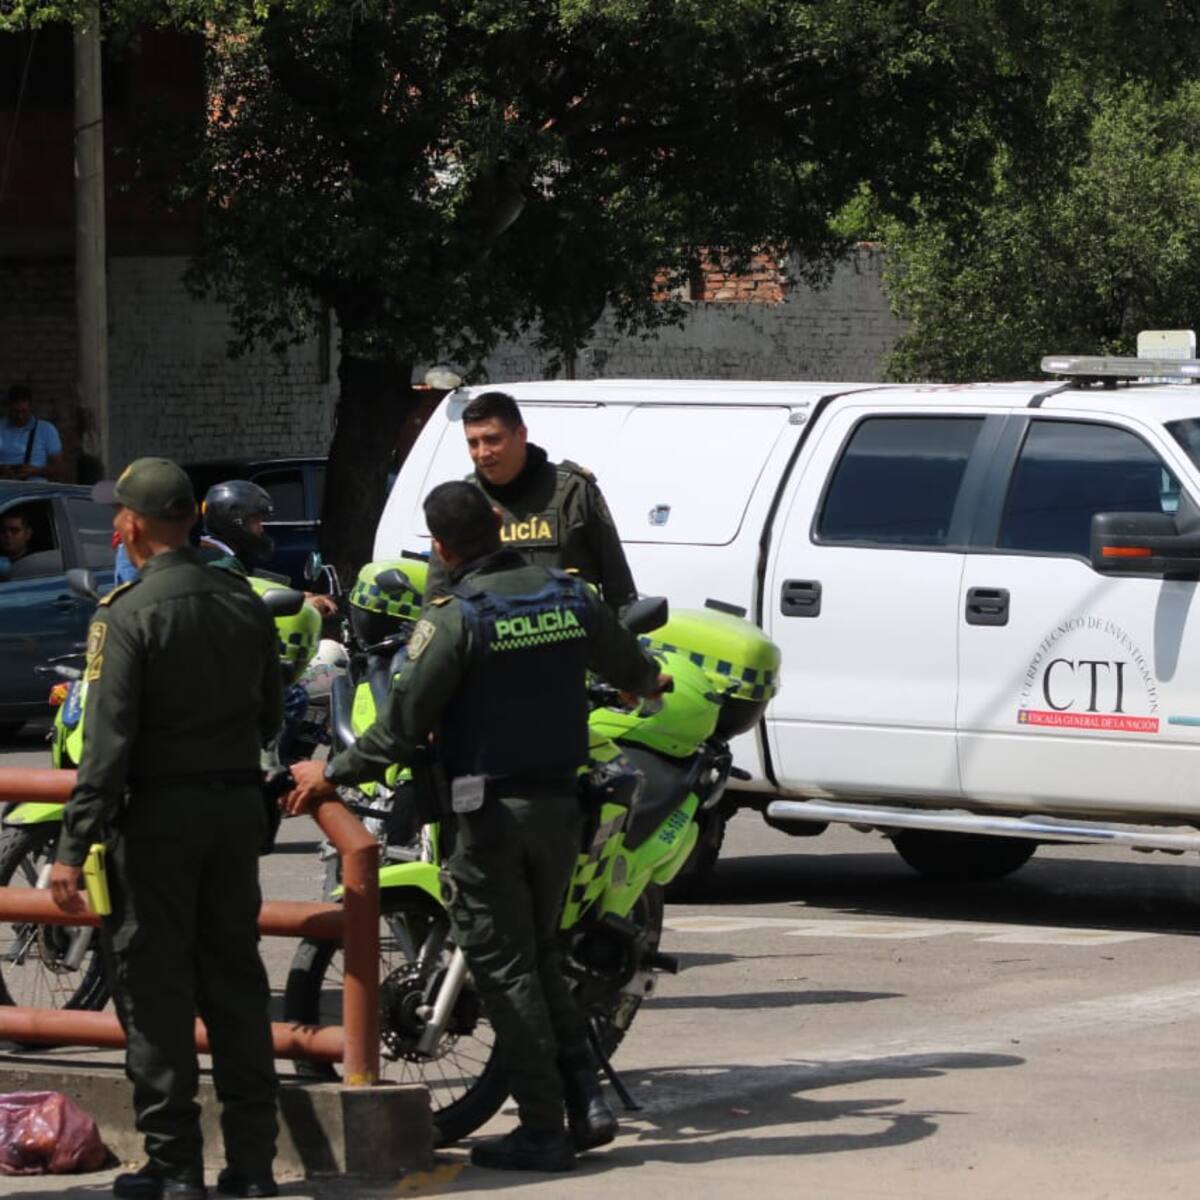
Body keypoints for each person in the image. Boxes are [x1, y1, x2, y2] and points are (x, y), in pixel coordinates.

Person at [286, 481, 666, 1173]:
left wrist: (331, 773)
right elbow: (637, 670)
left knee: (503, 967)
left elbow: (399, 731)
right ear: (498, 524)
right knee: (540, 954)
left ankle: (544, 1129)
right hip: (559, 811)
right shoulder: (570, 596)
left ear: (440, 547)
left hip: (485, 816)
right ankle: (585, 1103)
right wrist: (649, 682)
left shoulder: (455, 619)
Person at [48, 457, 283, 1200]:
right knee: (237, 990)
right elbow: (272, 714)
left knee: (155, 995)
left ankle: (176, 1167)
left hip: (156, 824)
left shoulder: (126, 611)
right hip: (234, 814)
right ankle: (251, 1169)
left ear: (133, 525)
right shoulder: (243, 599)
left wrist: (71, 845)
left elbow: (108, 744)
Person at [423, 391, 638, 612]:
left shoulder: (573, 493)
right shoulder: (463, 504)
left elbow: (620, 592)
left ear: (521, 434)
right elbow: (437, 598)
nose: (482, 453)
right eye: (473, 443)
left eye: (492, 440)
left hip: (570, 638)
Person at [201, 480, 336, 615]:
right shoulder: (221, 564)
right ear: (235, 522)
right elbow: (241, 606)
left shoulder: (211, 553)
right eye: (255, 521)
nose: (261, 529)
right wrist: (304, 605)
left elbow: (252, 584)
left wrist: (299, 595)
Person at [0, 384, 63, 481]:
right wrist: (3, 470)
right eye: (16, 412)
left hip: (35, 491)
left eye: (24, 412)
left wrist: (36, 471)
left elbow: (59, 468)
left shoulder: (46, 429)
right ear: (8, 407)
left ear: (31, 408)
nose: (20, 416)